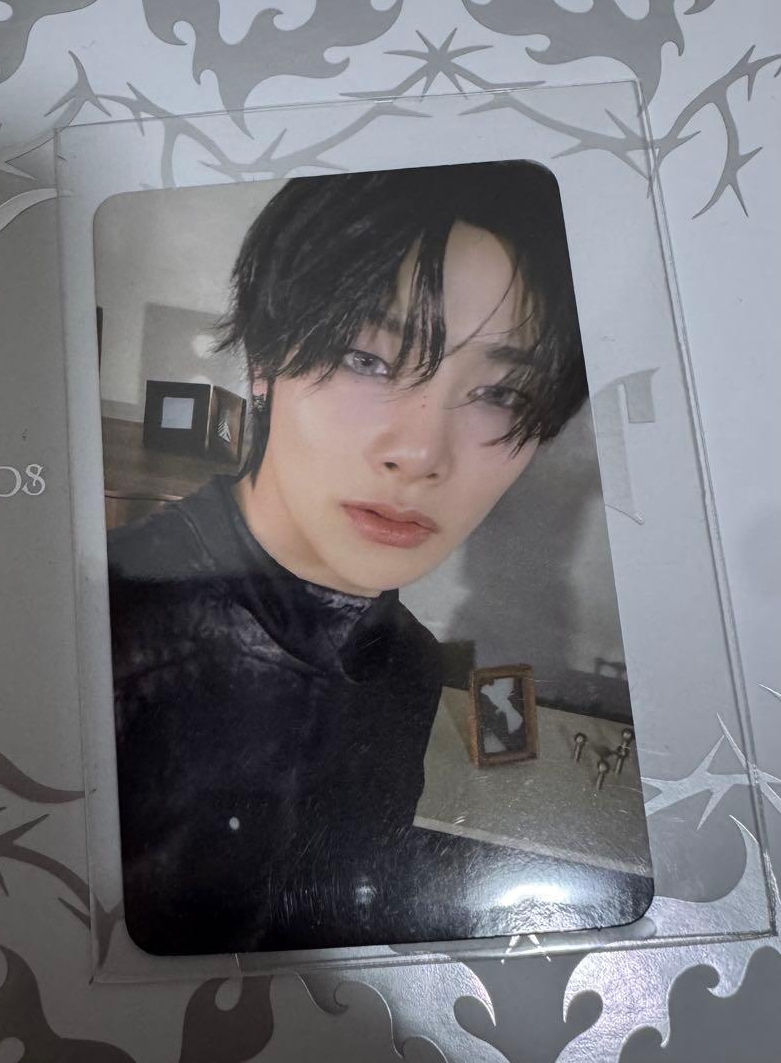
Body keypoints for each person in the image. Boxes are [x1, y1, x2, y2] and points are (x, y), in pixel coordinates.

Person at [107, 162, 650, 955]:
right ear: (265, 361)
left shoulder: (410, 665)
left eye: (501, 394)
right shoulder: (99, 622)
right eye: (367, 358)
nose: (420, 453)